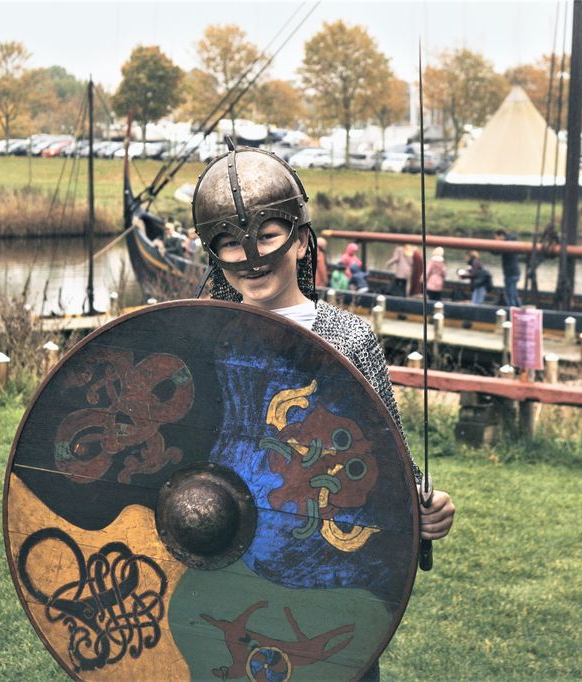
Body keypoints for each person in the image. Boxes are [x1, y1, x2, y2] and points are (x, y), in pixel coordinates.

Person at [190, 144, 455, 679]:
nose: (252, 256)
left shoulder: (347, 338)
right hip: (220, 553)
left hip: (327, 560)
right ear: (214, 255)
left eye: (267, 235)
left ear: (301, 239)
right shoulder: (204, 340)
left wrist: (426, 504)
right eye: (231, 244)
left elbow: (386, 456)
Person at [495, 229, 521, 308]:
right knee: (513, 293)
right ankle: (518, 307)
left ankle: (512, 310)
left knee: (510, 293)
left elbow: (496, 252)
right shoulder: (511, 241)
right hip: (514, 272)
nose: (496, 240)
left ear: (501, 236)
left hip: (510, 273)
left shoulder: (506, 244)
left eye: (497, 238)